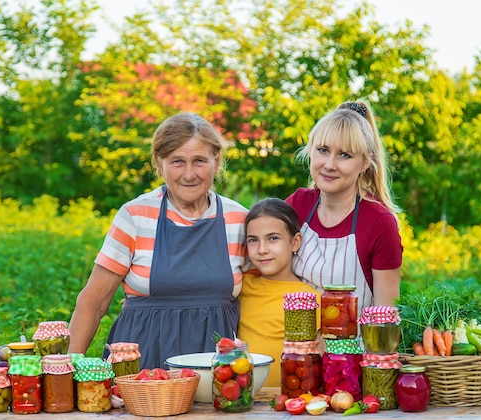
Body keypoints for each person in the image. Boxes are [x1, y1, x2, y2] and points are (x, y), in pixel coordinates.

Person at [68, 112, 249, 369]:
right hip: (140, 368)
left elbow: (261, 298)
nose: (189, 174)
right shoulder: (134, 216)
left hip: (219, 372)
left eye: (199, 161)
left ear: (216, 161)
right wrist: (66, 370)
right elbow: (94, 302)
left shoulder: (239, 219)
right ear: (159, 162)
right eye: (177, 161)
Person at [286, 100, 403, 311]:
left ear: (365, 163)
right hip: (294, 342)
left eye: (345, 155)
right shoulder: (297, 205)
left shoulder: (379, 222)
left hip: (353, 343)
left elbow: (386, 317)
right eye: (322, 150)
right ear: (310, 151)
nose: (329, 165)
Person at [237, 197, 320, 388]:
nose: (262, 250)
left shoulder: (311, 299)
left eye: (273, 238)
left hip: (292, 399)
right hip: (243, 397)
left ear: (295, 242)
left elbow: (319, 358)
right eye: (253, 240)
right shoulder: (242, 286)